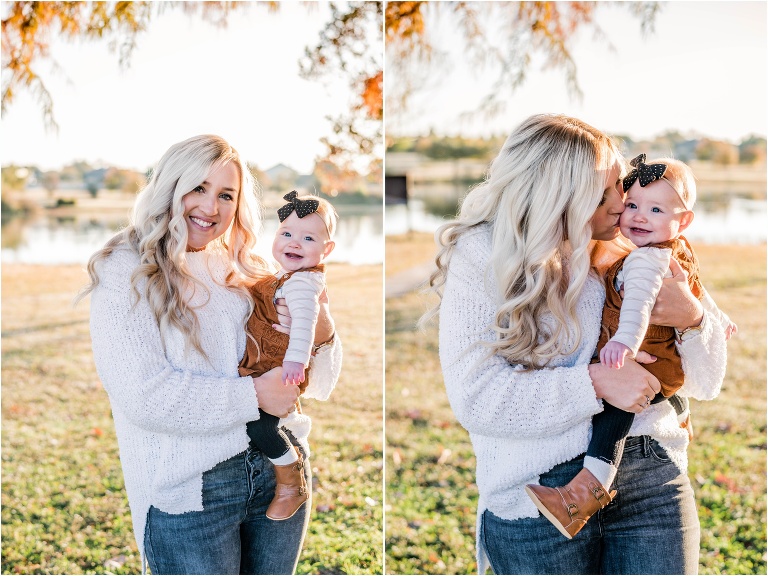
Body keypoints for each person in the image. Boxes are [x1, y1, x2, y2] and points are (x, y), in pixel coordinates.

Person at [429, 114, 728, 574]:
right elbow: (477, 398)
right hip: (537, 489)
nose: (623, 203)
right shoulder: (484, 255)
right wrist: (596, 383)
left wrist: (692, 318)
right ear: (559, 191)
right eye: (607, 192)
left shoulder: (638, 243)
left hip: (652, 473)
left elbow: (707, 383)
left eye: (622, 188)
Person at [78, 135, 342, 575]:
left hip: (280, 470)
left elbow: (315, 381)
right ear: (168, 186)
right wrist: (254, 395)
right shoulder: (125, 267)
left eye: (226, 195)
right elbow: (144, 395)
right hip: (192, 489)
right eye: (198, 188)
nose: (211, 207)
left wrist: (322, 329)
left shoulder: (247, 266)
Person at [525, 154, 737, 539]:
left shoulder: (645, 261)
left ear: (683, 219)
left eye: (655, 209)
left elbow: (639, 307)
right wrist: (716, 319)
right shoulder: (676, 247)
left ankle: (585, 493)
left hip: (645, 363)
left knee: (612, 413)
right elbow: (700, 291)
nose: (637, 216)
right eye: (633, 205)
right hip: (657, 364)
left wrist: (623, 343)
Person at [238, 191, 337, 521]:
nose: (295, 242)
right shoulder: (284, 276)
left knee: (262, 427)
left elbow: (306, 325)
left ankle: (291, 481)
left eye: (308, 237)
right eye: (287, 233)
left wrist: (296, 361)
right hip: (271, 361)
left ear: (327, 250)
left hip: (283, 365)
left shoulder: (303, 284)